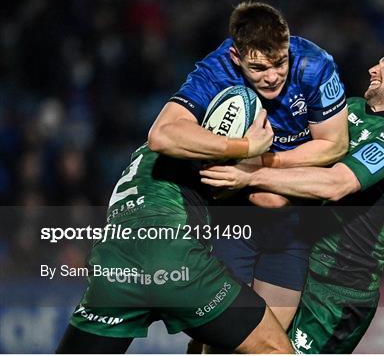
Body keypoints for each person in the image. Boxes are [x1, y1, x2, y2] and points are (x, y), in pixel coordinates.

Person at [200, 36, 384, 353]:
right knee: (225, 342)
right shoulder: (352, 109)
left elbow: (336, 184)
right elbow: (291, 155)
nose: (374, 68)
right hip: (296, 262)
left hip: (339, 291)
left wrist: (252, 174)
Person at [148, 1, 349, 329]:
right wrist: (243, 147)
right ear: (236, 57)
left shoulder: (314, 65)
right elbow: (162, 136)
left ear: (288, 46)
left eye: (280, 63)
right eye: (258, 69)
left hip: (293, 221)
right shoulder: (216, 71)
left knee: (271, 338)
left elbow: (335, 143)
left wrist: (260, 165)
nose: (272, 77)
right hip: (231, 217)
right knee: (220, 335)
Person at [56, 112, 293, 353]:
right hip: (170, 256)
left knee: (204, 341)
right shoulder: (202, 147)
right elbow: (272, 200)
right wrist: (257, 155)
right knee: (274, 348)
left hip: (113, 265)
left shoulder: (146, 152)